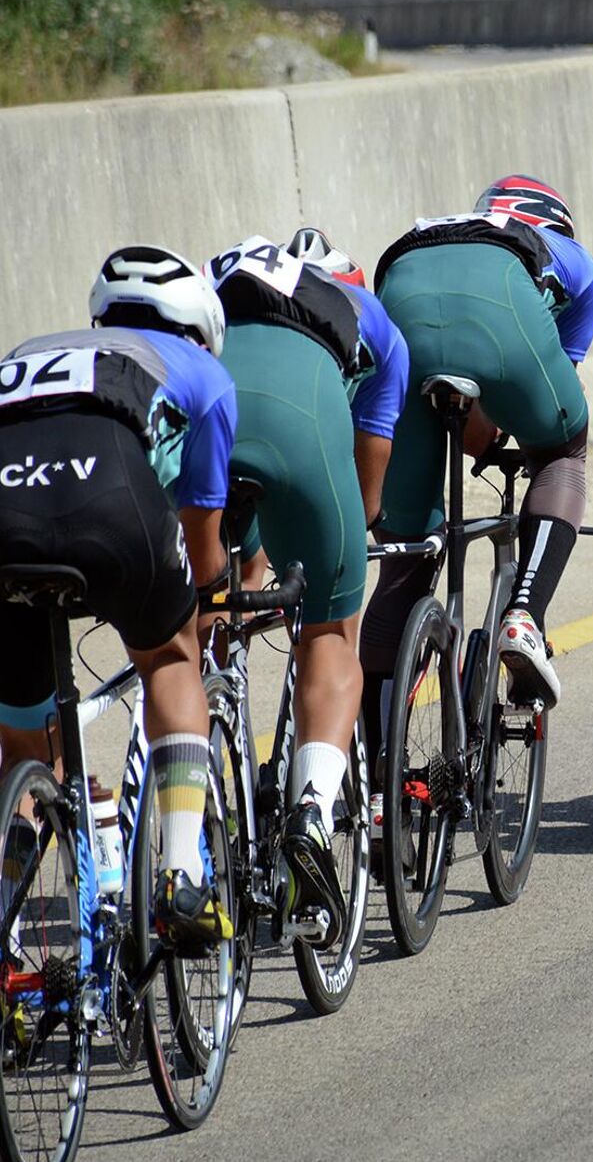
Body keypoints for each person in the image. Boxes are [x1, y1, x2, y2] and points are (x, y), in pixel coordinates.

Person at [0, 245, 237, 1051]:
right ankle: (181, 877)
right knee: (174, 659)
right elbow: (205, 551)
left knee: (27, 757)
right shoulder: (203, 375)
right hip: (109, 493)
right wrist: (199, 611)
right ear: (202, 328)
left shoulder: (32, 352)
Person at [206, 227, 406, 944]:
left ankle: (196, 785)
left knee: (210, 609)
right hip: (302, 424)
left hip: (208, 415)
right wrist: (362, 517)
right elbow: (378, 423)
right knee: (329, 634)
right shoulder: (354, 303)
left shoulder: (214, 276)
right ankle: (314, 813)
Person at [363, 175, 593, 711]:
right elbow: (546, 398)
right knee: (563, 453)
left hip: (398, 298)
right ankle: (524, 616)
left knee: (406, 555)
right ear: (556, 223)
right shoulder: (569, 257)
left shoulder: (445, 228)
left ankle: (380, 777)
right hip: (501, 305)